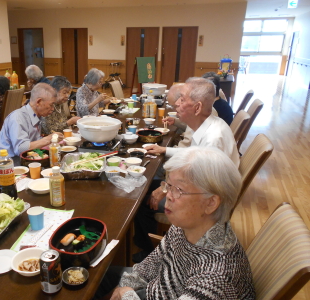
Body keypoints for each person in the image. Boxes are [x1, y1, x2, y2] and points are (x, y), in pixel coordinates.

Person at [95, 147, 255, 300]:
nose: (168, 196)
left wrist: (126, 295)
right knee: (93, 278)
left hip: (157, 293)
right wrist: (122, 288)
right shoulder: (188, 224)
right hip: (157, 290)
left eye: (178, 189)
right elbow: (152, 263)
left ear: (211, 203)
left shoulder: (216, 278)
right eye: (168, 186)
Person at [134, 77, 239, 263]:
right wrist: (165, 151)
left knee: (142, 197)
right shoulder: (206, 126)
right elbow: (192, 155)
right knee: (146, 184)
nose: (177, 104)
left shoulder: (213, 139)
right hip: (199, 189)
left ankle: (149, 253)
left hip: (207, 204)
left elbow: (201, 188)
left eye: (182, 99)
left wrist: (166, 188)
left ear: (197, 108)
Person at [0, 83, 63, 165]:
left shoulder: (38, 115)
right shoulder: (18, 118)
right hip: (9, 162)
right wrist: (48, 139)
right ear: (39, 102)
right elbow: (20, 149)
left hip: (28, 156)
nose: (52, 109)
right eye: (51, 105)